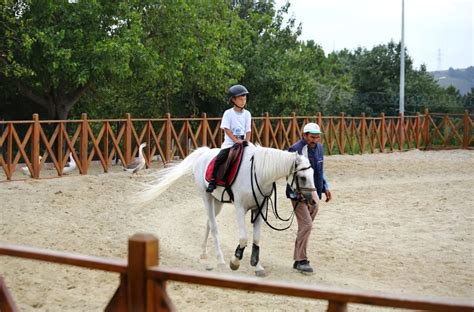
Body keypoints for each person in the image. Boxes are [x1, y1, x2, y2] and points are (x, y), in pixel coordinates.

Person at [288, 122, 332, 273]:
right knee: (307, 225)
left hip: (314, 190)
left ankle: (297, 258)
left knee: (305, 227)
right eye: (312, 137)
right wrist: (297, 192)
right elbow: (289, 174)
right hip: (298, 192)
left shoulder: (319, 148)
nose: (315, 140)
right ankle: (302, 260)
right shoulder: (295, 149)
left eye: (317, 137)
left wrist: (326, 187)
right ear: (304, 135)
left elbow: (320, 169)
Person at [206, 84, 251, 193]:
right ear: (233, 100)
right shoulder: (228, 113)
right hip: (230, 143)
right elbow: (226, 129)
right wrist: (236, 141)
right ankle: (212, 180)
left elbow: (248, 130)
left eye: (244, 99)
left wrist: (247, 142)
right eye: (240, 99)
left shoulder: (247, 114)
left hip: (243, 142)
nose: (243, 101)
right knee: (220, 158)